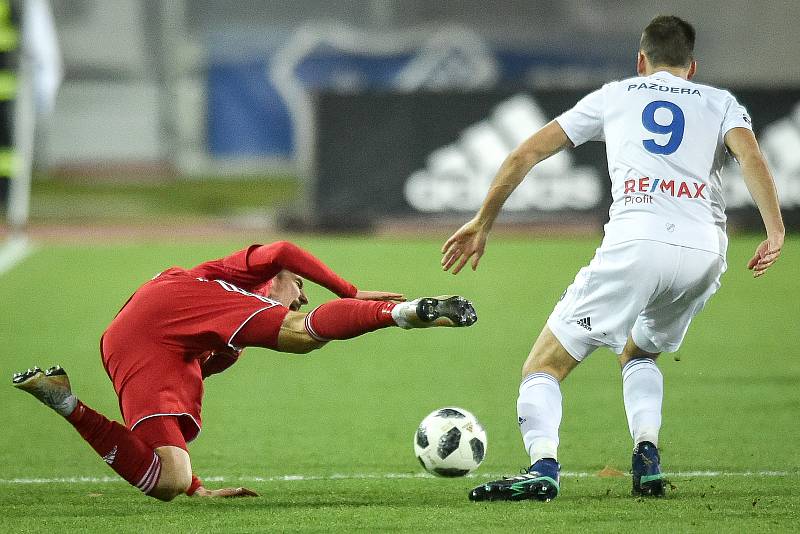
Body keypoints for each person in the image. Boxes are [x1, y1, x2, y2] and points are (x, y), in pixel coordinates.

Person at [441, 15, 783, 502]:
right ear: (692, 67)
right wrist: (775, 229)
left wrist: (483, 221)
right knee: (638, 351)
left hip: (637, 243)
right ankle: (647, 456)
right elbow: (751, 158)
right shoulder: (720, 101)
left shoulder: (616, 95)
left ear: (641, 61)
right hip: (705, 253)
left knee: (543, 366)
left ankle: (542, 467)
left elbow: (526, 154)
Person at [13, 240, 477, 501]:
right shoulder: (244, 277)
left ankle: (63, 400)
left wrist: (199, 489)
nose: (302, 294)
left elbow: (194, 372)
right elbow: (284, 249)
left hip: (147, 342)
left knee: (170, 480)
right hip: (163, 314)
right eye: (299, 287)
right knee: (302, 334)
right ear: (277, 280)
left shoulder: (233, 329)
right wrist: (351, 292)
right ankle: (404, 311)